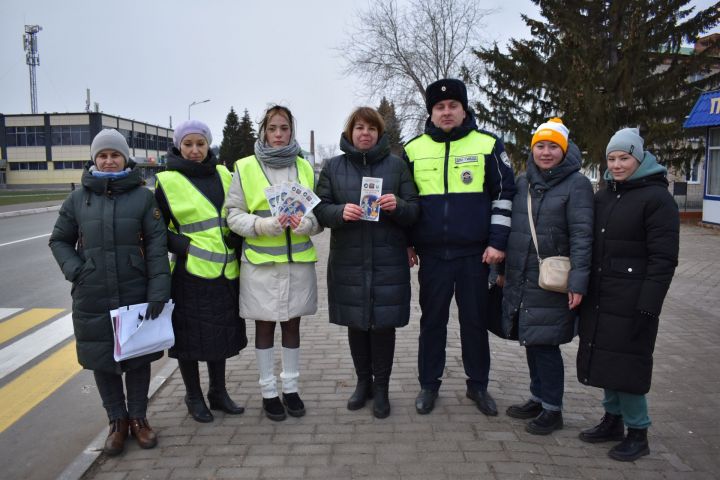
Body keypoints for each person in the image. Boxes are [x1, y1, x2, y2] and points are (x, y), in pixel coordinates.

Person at [49, 129, 170, 455]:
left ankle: (139, 420)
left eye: (114, 154)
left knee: (137, 358)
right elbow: (59, 240)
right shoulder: (77, 199)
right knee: (103, 360)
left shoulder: (144, 197)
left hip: (134, 292)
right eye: (102, 155)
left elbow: (158, 246)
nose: (108, 160)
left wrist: (158, 289)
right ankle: (116, 422)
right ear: (94, 159)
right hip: (93, 294)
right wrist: (77, 270)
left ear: (125, 158)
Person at [404, 78, 516, 415]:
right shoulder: (413, 149)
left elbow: (503, 195)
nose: (447, 111)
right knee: (432, 323)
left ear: (464, 108)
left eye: (453, 105)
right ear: (431, 113)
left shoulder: (488, 144)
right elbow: (408, 202)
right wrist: (408, 242)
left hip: (475, 255)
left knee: (474, 323)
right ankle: (428, 385)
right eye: (440, 107)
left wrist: (498, 242)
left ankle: (477, 386)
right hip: (433, 255)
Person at [577, 128, 679, 461]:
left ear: (639, 158)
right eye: (612, 158)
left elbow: (663, 258)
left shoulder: (657, 198)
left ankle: (639, 431)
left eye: (625, 158)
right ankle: (612, 420)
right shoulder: (604, 195)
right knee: (605, 356)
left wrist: (650, 304)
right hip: (602, 294)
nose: (617, 165)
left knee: (629, 364)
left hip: (634, 298)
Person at [314, 107, 419, 418]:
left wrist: (397, 205)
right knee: (357, 323)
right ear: (350, 132)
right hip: (349, 259)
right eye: (359, 128)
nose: (364, 133)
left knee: (383, 325)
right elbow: (320, 208)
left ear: (379, 133)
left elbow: (414, 209)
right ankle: (363, 383)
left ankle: (383, 388)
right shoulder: (333, 167)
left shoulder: (397, 167)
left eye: (371, 129)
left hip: (388, 259)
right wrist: (339, 213)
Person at [225, 105, 322, 421]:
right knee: (264, 327)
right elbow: (233, 215)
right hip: (261, 262)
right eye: (272, 129)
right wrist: (262, 226)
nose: (278, 134)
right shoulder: (245, 166)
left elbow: (317, 216)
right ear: (263, 132)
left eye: (284, 128)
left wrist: (307, 225)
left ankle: (291, 389)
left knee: (293, 325)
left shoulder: (304, 167)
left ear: (292, 130)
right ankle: (268, 393)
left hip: (297, 262)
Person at [499, 118, 593, 434]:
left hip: (553, 278)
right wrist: (499, 270)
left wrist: (579, 282)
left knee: (546, 343)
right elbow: (510, 227)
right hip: (522, 274)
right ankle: (538, 397)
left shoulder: (577, 184)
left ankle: (553, 409)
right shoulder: (523, 182)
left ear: (564, 150)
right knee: (531, 337)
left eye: (554, 146)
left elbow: (582, 235)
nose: (546, 152)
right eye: (541, 145)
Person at [154, 120, 247, 423]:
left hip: (225, 271)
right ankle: (193, 396)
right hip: (189, 274)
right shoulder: (166, 181)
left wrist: (237, 234)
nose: (195, 151)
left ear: (209, 146)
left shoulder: (223, 173)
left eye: (200, 144)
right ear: (179, 146)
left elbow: (235, 213)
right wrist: (184, 247)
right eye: (188, 144)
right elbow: (155, 231)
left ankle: (218, 392)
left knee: (219, 336)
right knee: (189, 341)